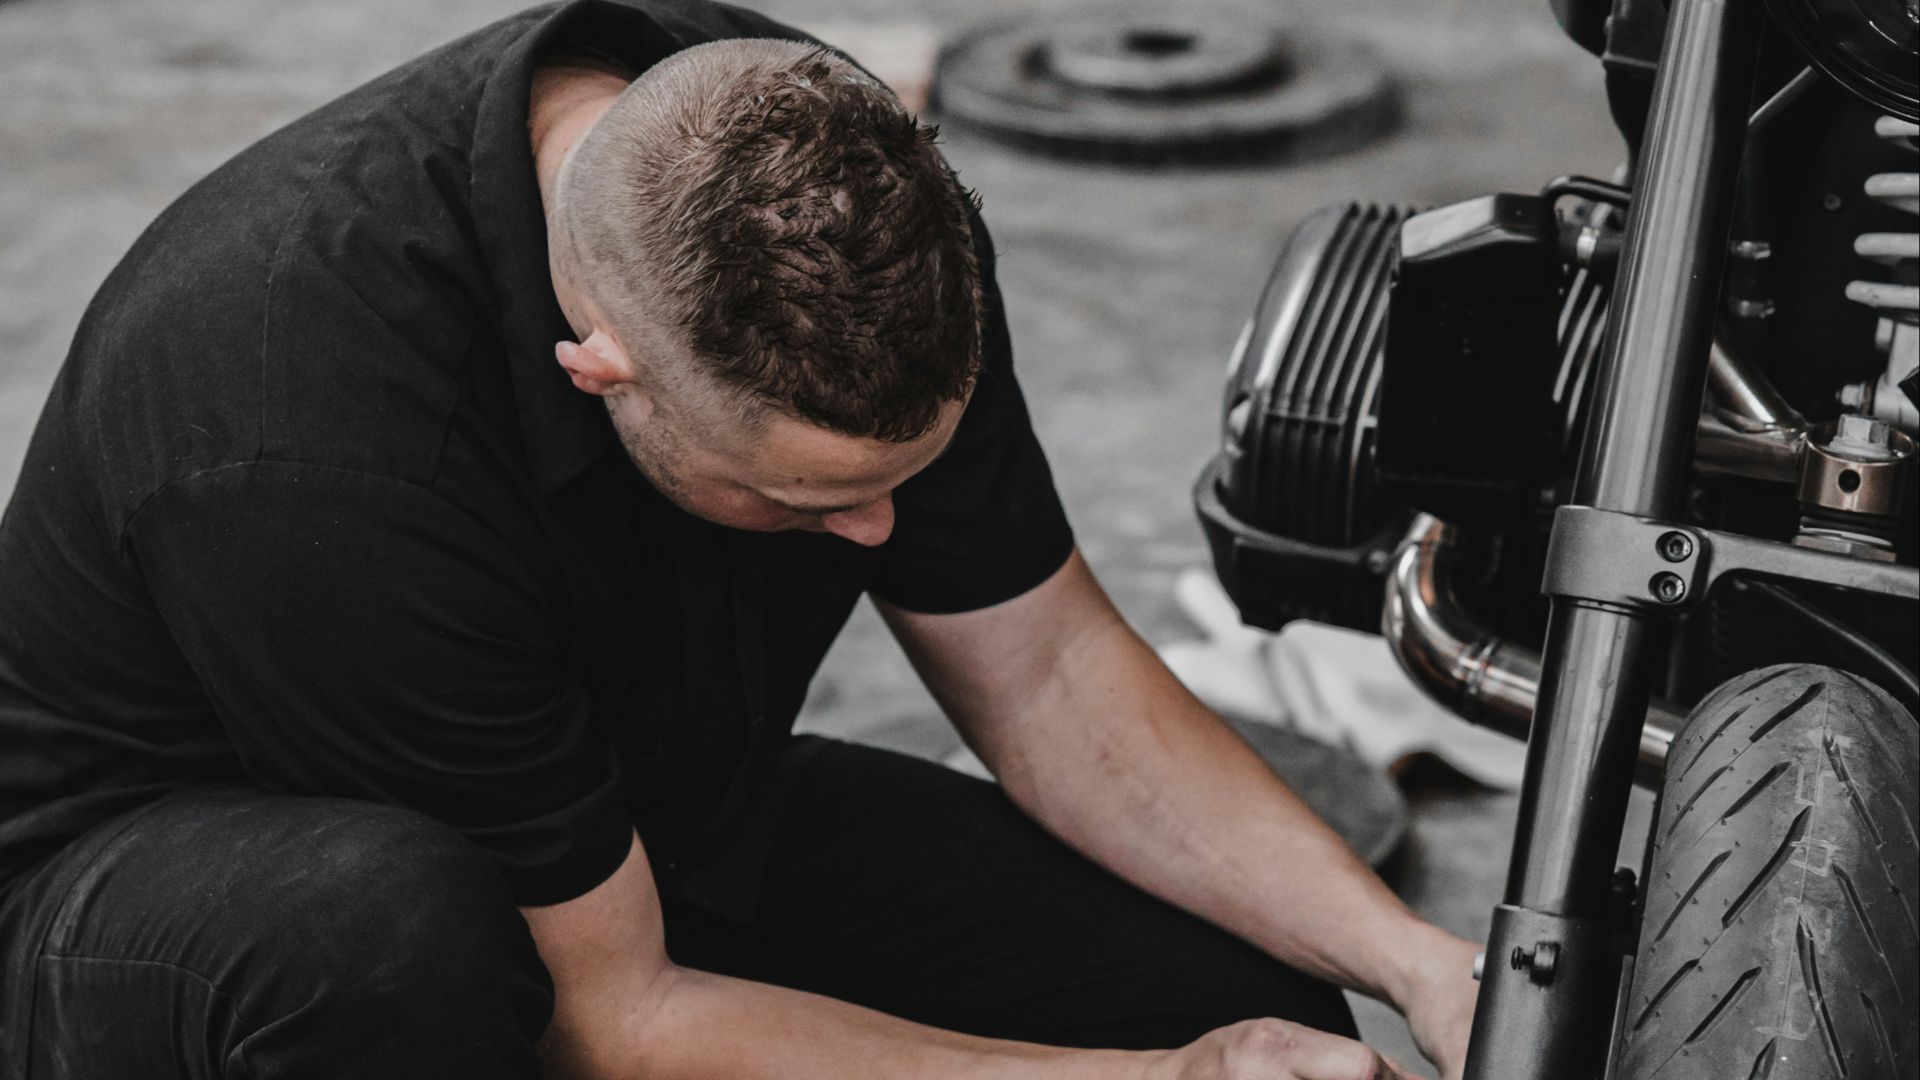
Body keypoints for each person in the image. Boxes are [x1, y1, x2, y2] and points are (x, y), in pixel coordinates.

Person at [0, 2, 1480, 1077]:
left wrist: (1423, 966)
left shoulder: (846, 192)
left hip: (630, 802)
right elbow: (616, 1018)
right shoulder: (301, 431)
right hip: (181, 905)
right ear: (603, 368)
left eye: (904, 475)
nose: (876, 529)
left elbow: (1042, 671)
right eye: (805, 505)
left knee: (1231, 999)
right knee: (395, 945)